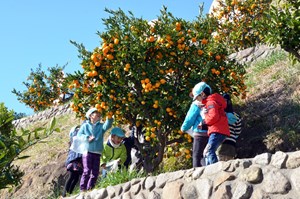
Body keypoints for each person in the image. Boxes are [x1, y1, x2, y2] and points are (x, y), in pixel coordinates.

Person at [76, 108, 113, 192]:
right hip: (87, 152)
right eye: (96, 113)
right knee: (87, 171)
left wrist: (109, 116)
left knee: (95, 173)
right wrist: (87, 137)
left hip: (97, 152)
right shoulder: (85, 126)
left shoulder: (101, 126)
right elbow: (79, 135)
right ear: (90, 116)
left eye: (99, 113)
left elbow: (108, 125)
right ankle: (83, 189)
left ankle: (90, 189)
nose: (99, 115)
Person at [193, 82, 230, 165]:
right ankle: (211, 169)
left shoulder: (211, 102)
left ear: (202, 94)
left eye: (197, 97)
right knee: (207, 152)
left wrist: (204, 122)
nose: (197, 100)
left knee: (209, 151)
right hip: (219, 130)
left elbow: (214, 117)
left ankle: (215, 170)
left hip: (217, 131)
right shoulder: (211, 102)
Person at [181, 88, 209, 168]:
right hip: (210, 132)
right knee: (205, 155)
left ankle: (197, 175)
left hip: (199, 132)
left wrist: (183, 128)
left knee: (197, 156)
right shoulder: (210, 102)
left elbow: (190, 118)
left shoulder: (196, 105)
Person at [216, 94, 242, 161]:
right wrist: (232, 137)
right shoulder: (236, 116)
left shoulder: (218, 115)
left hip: (221, 142)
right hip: (231, 144)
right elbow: (237, 132)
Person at [62, 125, 83, 197]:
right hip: (74, 160)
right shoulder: (75, 142)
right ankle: (64, 195)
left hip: (76, 161)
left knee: (75, 178)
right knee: (71, 176)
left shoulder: (76, 142)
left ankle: (68, 194)